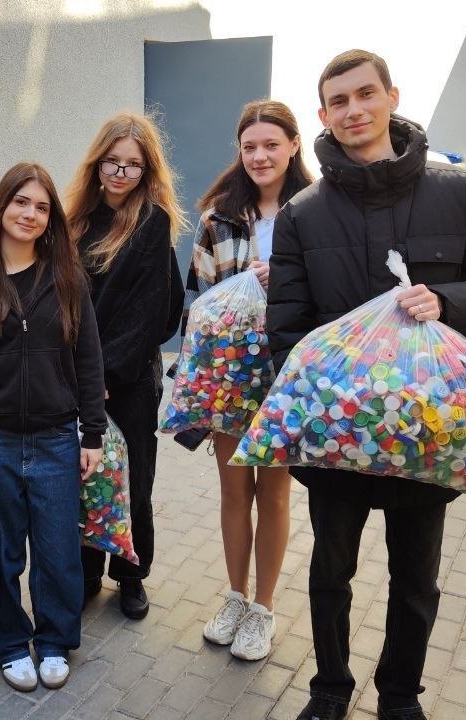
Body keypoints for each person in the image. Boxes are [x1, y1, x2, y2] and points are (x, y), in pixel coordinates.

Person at [269, 50, 466, 720]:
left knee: (416, 579)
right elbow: (287, 328)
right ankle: (329, 688)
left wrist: (448, 301)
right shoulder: (303, 214)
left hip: (427, 430)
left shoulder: (460, 194)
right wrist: (307, 418)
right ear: (323, 115)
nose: (355, 110)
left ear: (392, 97)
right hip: (339, 434)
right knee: (329, 572)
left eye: (366, 94)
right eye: (339, 101)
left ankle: (400, 696)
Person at [0, 162, 107, 693]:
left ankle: (54, 641)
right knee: (2, 555)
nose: (30, 214)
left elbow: (88, 360)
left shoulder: (67, 279)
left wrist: (92, 433)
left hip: (57, 441)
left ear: (51, 217)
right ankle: (10, 644)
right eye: (21, 202)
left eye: (42, 206)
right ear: (2, 205)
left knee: (58, 553)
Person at [186, 100, 313, 661]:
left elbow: (330, 294)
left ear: (293, 145)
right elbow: (198, 302)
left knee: (275, 494)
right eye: (250, 147)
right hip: (230, 374)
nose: (260, 156)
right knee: (235, 490)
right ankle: (235, 597)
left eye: (271, 145)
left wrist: (281, 278)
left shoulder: (316, 211)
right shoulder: (219, 218)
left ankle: (263, 608)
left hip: (289, 373)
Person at [64, 112, 184, 620]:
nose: (120, 173)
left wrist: (108, 375)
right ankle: (88, 568)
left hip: (129, 379)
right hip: (79, 376)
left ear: (146, 170)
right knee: (86, 476)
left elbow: (152, 311)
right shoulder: (75, 221)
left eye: (132, 165)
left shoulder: (151, 222)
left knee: (133, 480)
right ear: (96, 163)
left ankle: (131, 575)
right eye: (111, 161)